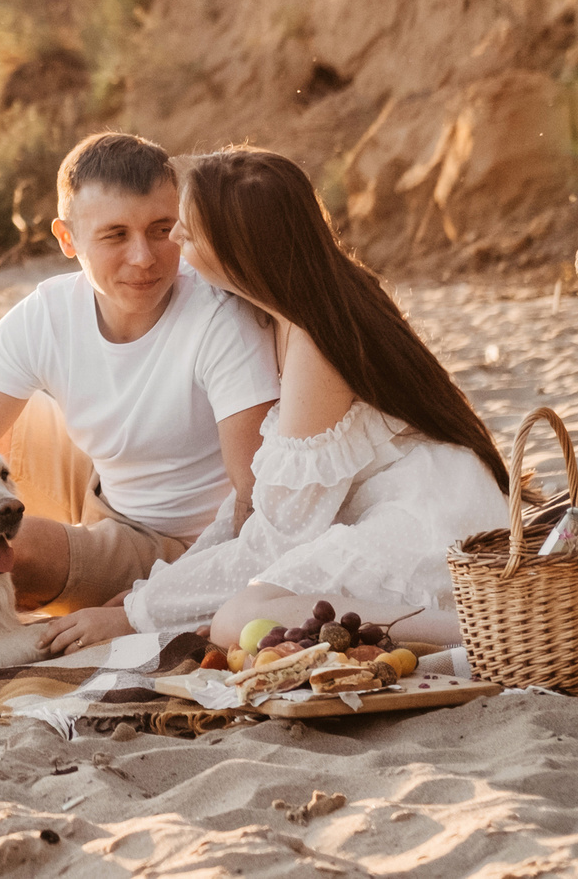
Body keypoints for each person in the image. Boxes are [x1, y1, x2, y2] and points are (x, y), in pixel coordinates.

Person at [44, 146, 512, 653]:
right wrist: (151, 594)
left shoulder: (314, 343)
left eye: (188, 231)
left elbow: (278, 535)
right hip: (396, 507)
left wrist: (137, 615)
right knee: (241, 617)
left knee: (238, 621)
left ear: (235, 248)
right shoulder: (279, 312)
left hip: (428, 520)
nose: (173, 237)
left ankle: (484, 637)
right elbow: (254, 506)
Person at [0, 132, 281, 620]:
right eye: (116, 235)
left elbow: (257, 504)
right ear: (67, 239)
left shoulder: (220, 319)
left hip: (175, 545)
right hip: (96, 484)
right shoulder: (48, 313)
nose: (144, 257)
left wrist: (155, 604)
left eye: (161, 229)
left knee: (8, 550)